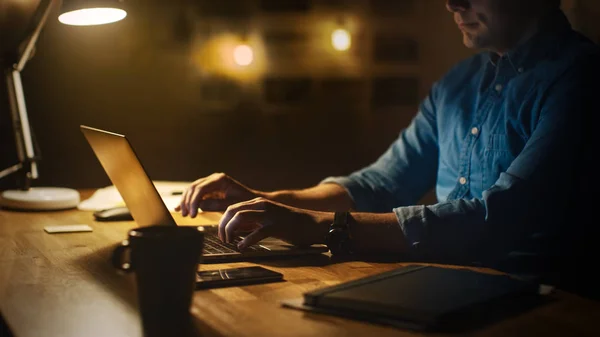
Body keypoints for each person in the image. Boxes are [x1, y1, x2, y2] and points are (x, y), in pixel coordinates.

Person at [177, 0, 599, 298]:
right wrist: (266, 202)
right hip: (448, 286)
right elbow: (383, 182)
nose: (453, 3)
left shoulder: (581, 79)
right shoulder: (458, 83)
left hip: (544, 305)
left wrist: (320, 226)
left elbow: (502, 218)